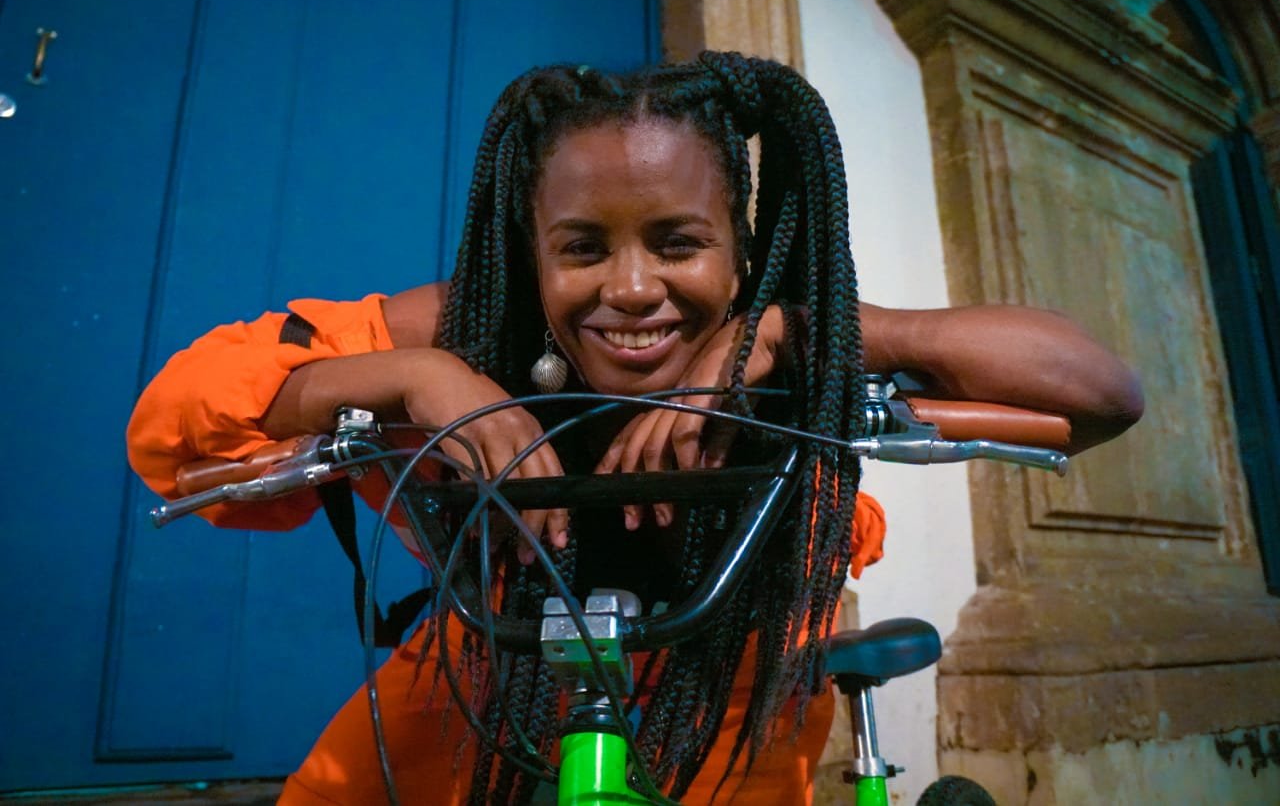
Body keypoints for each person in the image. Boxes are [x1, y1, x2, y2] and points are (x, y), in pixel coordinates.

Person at [127, 52, 1142, 804]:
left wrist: (787, 332)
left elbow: (1098, 390)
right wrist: (420, 374)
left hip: (731, 707)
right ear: (529, 250)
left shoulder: (782, 332)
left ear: (738, 248)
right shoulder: (477, 320)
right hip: (489, 680)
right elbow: (178, 423)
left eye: (676, 243)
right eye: (580, 247)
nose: (628, 289)